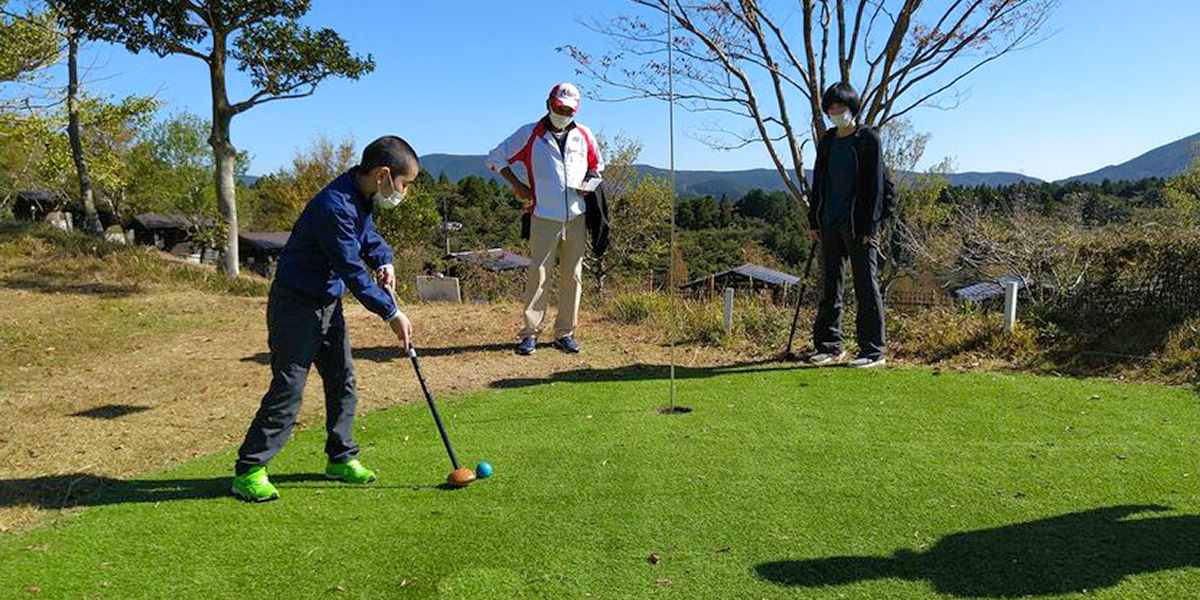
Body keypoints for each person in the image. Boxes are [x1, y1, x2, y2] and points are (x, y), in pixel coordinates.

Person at [230, 136, 419, 502]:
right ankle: (249, 469)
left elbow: (368, 236)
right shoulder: (334, 206)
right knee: (289, 387)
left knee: (342, 379)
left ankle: (340, 457)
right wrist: (391, 312)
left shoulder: (360, 195)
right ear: (383, 175)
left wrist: (384, 259)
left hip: (327, 303)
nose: (404, 192)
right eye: (404, 184)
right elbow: (350, 268)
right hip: (296, 305)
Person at [487, 82, 605, 356]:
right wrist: (518, 187)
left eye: (568, 109)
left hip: (576, 216)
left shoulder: (584, 134)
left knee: (573, 276)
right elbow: (495, 158)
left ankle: (565, 333)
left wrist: (587, 184)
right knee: (538, 274)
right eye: (558, 107)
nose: (562, 113)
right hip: (543, 215)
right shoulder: (530, 133)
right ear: (549, 103)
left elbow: (598, 166)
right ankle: (530, 334)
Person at [806, 82, 887, 368]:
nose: (835, 111)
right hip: (829, 222)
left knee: (866, 286)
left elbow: (877, 187)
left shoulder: (868, 139)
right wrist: (814, 219)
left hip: (859, 226)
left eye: (840, 106)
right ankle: (829, 346)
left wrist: (869, 226)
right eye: (830, 107)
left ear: (853, 107)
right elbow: (819, 182)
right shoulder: (827, 140)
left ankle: (873, 351)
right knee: (830, 286)